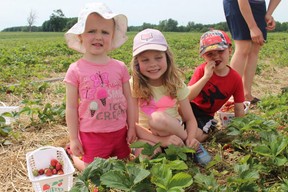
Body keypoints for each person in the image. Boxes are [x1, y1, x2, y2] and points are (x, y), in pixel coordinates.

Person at [63, 2, 136, 171]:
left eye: (104, 32)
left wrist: (132, 126)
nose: (98, 36)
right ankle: (74, 155)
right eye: (91, 31)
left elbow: (130, 100)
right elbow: (71, 107)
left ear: (112, 37)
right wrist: (74, 138)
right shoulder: (75, 70)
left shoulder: (120, 67)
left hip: (119, 132)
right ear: (80, 36)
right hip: (92, 134)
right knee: (94, 172)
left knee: (123, 168)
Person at [130, 28, 204, 160]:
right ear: (137, 63)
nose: (153, 64)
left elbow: (190, 119)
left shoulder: (176, 83)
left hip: (173, 130)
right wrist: (162, 141)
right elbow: (132, 124)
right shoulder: (133, 85)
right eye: (145, 60)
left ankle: (187, 145)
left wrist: (191, 138)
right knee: (146, 156)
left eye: (158, 58)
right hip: (146, 135)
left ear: (167, 58)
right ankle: (173, 151)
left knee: (157, 118)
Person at [187, 30, 245, 142]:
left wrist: (239, 130)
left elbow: (239, 108)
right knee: (176, 127)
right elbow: (187, 97)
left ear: (230, 50)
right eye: (210, 54)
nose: (216, 56)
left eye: (220, 51)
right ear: (203, 56)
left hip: (205, 115)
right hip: (189, 109)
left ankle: (208, 130)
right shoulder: (201, 71)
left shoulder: (235, 79)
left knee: (195, 136)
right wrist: (206, 77)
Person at [223, 0, 281, 104]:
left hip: (258, 4)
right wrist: (252, 27)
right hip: (237, 3)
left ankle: (246, 94)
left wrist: (269, 13)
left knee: (256, 46)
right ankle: (232, 96)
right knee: (243, 46)